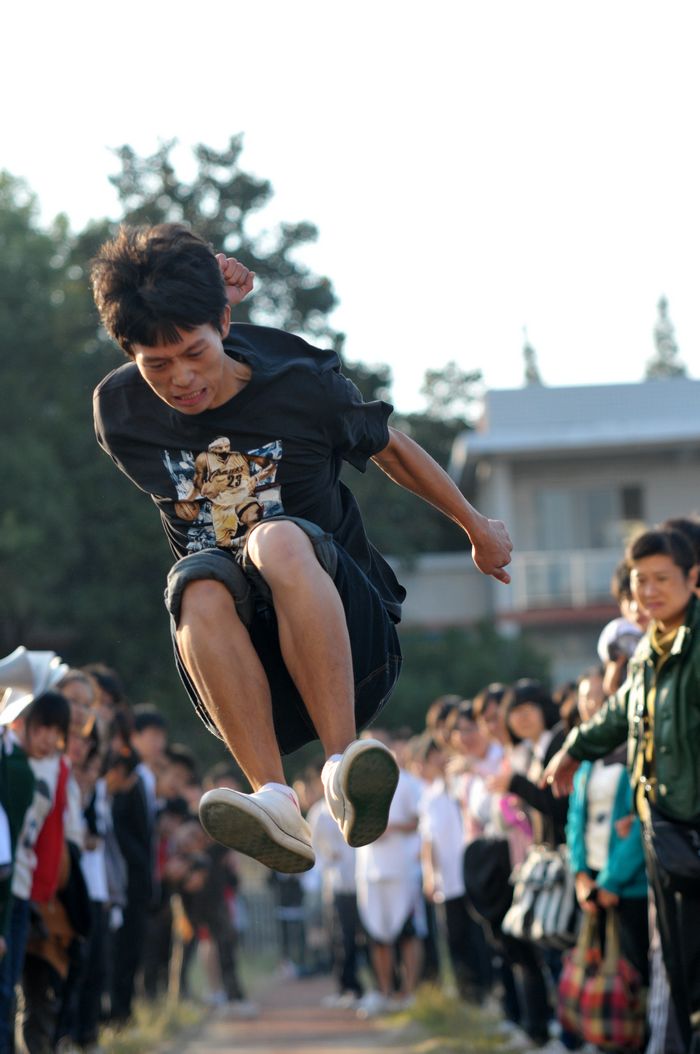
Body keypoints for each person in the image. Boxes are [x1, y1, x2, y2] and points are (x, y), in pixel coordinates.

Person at [89, 223, 512, 874]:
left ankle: (344, 766)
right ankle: (275, 798)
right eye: (157, 365)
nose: (182, 380)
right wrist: (193, 281)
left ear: (224, 322)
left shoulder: (302, 384)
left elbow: (393, 449)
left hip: (351, 645)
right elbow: (168, 312)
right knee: (195, 583)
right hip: (244, 683)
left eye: (195, 353)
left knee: (277, 538)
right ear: (129, 354)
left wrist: (476, 527)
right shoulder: (121, 413)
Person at [544, 527, 700, 1053]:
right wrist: (574, 749)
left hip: (693, 830)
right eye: (640, 581)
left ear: (693, 578)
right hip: (666, 833)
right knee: (679, 970)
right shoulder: (648, 650)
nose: (649, 592)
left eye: (662, 579)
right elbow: (619, 712)